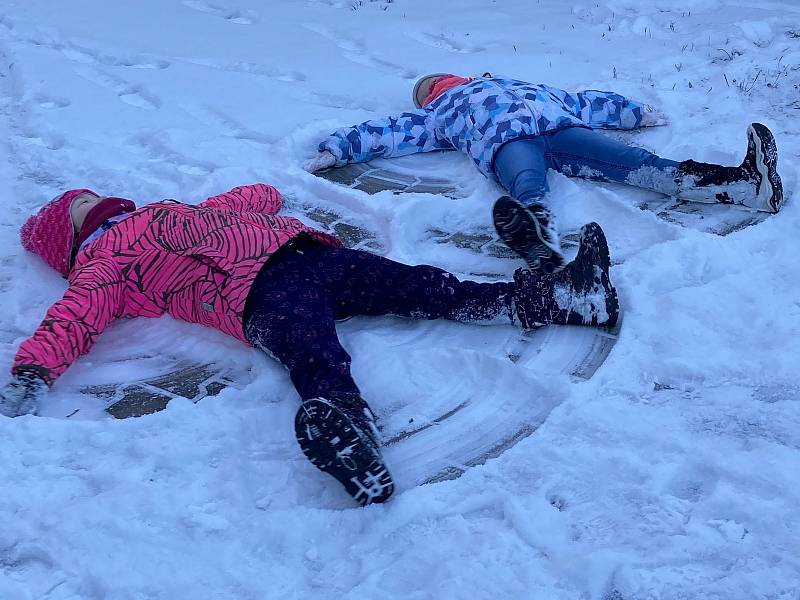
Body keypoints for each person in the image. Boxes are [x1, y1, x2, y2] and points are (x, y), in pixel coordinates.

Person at [0, 183, 619, 506]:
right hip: (252, 296)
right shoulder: (104, 261)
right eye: (80, 208)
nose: (93, 204)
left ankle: (562, 299)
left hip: (310, 255)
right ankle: (352, 439)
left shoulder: (177, 209)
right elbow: (74, 316)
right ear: (74, 237)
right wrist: (33, 369)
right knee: (315, 353)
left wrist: (251, 201)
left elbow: (254, 199)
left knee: (424, 285)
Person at [306, 73, 784, 273]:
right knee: (526, 181)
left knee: (634, 163)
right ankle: (538, 236)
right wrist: (339, 148)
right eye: (434, 87)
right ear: (432, 96)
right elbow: (388, 131)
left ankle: (741, 185)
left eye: (443, 80)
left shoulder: (515, 84)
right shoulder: (439, 114)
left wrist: (634, 112)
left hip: (561, 129)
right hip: (505, 144)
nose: (443, 86)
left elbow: (583, 102)